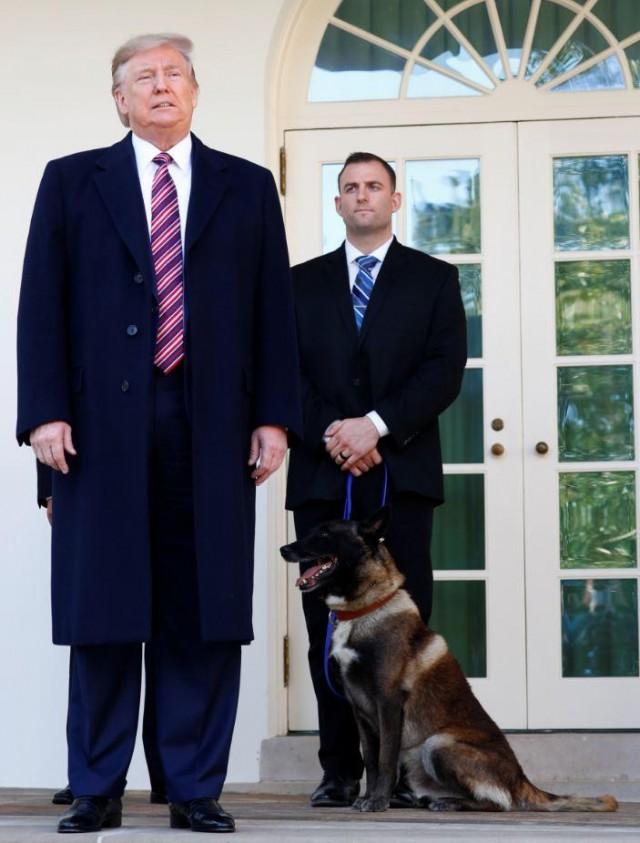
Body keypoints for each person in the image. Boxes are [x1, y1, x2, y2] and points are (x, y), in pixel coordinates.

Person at [17, 33, 300, 835]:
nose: (161, 85)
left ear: (196, 91)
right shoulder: (73, 182)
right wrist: (42, 413)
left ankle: (193, 787)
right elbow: (41, 306)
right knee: (104, 606)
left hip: (212, 426)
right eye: (143, 77)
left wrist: (274, 417)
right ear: (119, 98)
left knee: (200, 609)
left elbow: (271, 315)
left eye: (175, 73)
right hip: (97, 429)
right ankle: (97, 786)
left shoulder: (245, 188)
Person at [286, 152, 467, 808]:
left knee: (404, 632)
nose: (362, 197)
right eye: (350, 188)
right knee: (324, 631)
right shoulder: (298, 284)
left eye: (374, 187)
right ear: (338, 204)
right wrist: (337, 431)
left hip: (404, 474)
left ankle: (409, 773)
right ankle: (339, 769)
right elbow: (284, 373)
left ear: (396, 200)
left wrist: (377, 426)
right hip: (320, 472)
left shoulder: (434, 279)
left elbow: (445, 370)